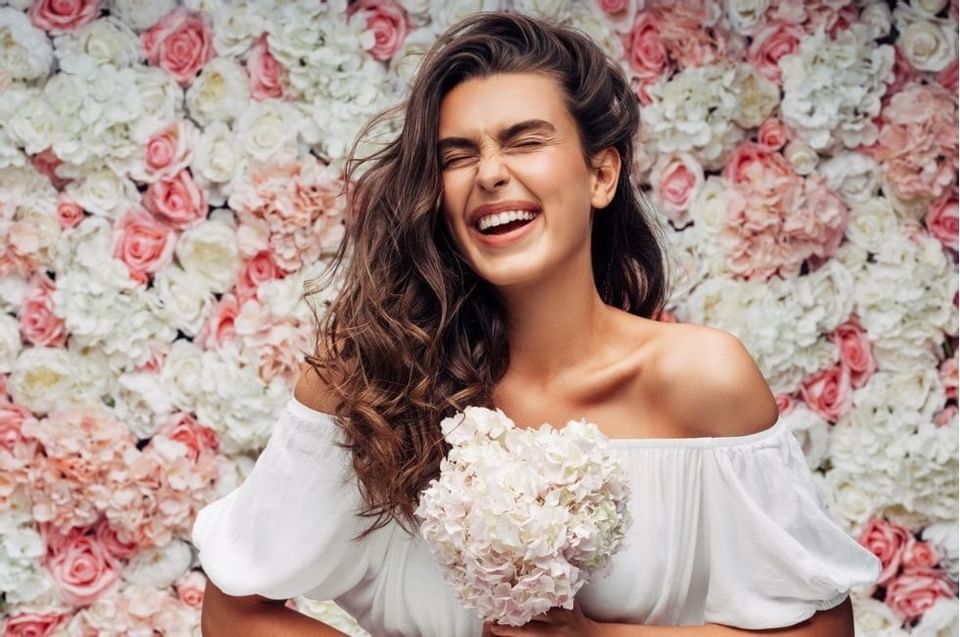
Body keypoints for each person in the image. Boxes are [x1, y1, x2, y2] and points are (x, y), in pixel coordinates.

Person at [191, 11, 882, 637]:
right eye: (459, 155)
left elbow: (822, 631)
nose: (489, 173)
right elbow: (232, 610)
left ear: (601, 175)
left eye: (524, 141)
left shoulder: (702, 381)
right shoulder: (367, 380)